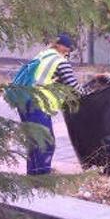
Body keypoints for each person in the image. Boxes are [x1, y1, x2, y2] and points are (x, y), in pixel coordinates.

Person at [19, 33, 85, 175]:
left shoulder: (43, 55)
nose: (68, 52)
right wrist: (100, 83)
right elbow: (76, 89)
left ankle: (33, 176)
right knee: (45, 142)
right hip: (37, 103)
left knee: (35, 141)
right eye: (68, 49)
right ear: (61, 47)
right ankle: (42, 178)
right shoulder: (60, 61)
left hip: (23, 100)